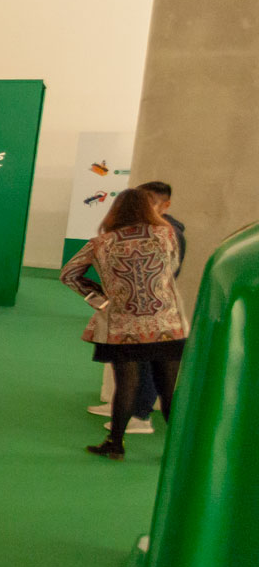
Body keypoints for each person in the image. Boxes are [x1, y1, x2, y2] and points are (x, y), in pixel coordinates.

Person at [62, 187, 188, 459]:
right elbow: (172, 267)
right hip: (166, 327)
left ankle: (115, 444)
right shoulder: (166, 234)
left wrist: (101, 300)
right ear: (149, 208)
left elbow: (69, 274)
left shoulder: (101, 243)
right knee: (168, 391)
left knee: (126, 386)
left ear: (115, 210)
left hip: (123, 327)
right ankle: (181, 450)